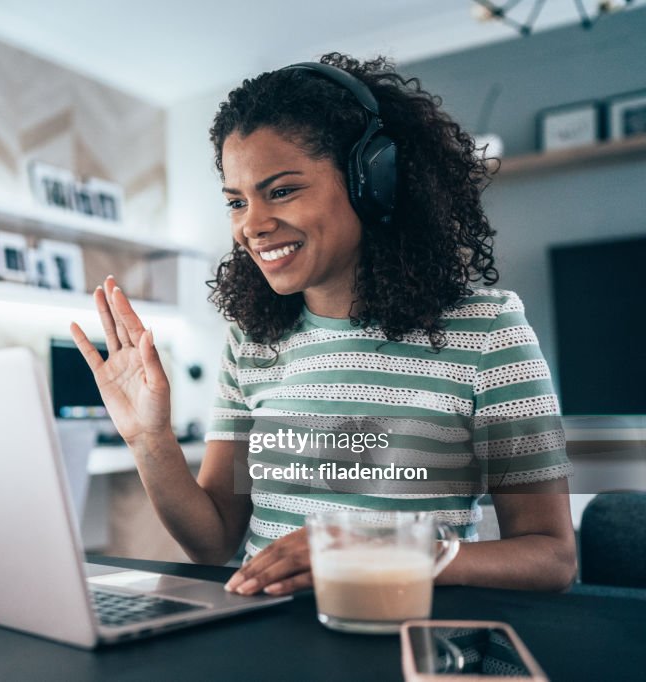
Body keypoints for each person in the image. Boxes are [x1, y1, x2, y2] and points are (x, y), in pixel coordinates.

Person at [70, 53, 576, 595]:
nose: (253, 226)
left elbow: (551, 558)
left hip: (399, 639)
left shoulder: (488, 331)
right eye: (237, 201)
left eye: (282, 190)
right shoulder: (252, 343)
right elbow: (215, 541)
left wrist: (383, 555)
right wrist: (150, 441)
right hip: (262, 638)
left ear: (371, 182)